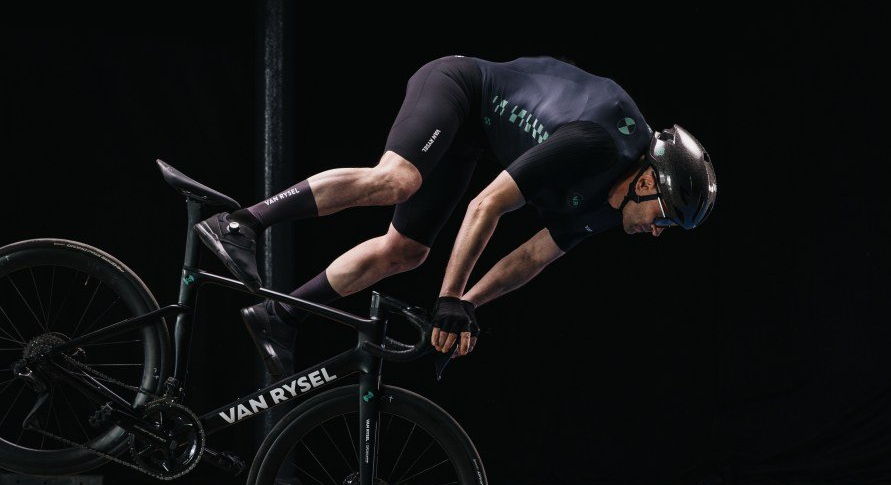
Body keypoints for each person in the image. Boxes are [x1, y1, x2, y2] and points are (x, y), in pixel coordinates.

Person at [194, 55, 716, 377]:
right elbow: (486, 204)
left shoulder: (611, 208)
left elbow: (532, 257)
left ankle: (280, 316)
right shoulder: (596, 144)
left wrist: (465, 305)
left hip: (472, 138)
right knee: (397, 179)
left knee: (405, 252)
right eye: (664, 217)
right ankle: (242, 223)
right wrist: (447, 296)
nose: (657, 231)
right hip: (460, 86)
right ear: (646, 181)